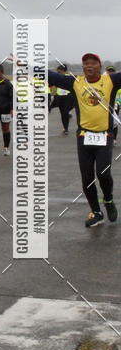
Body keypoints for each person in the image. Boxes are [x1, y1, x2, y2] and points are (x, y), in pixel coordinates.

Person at [48, 54, 121, 227]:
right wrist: (26, 65)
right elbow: (51, 76)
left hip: (104, 136)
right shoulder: (76, 82)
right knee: (87, 178)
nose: (89, 66)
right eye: (86, 63)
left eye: (93, 63)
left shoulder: (110, 81)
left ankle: (108, 200)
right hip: (84, 137)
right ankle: (96, 212)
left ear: (99, 66)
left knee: (103, 173)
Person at [50, 64, 73, 135]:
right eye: (57, 72)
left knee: (65, 113)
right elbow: (52, 85)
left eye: (59, 72)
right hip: (59, 98)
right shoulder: (57, 78)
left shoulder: (69, 78)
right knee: (63, 114)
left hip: (68, 98)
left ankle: (66, 128)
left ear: (64, 71)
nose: (58, 74)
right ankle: (65, 128)